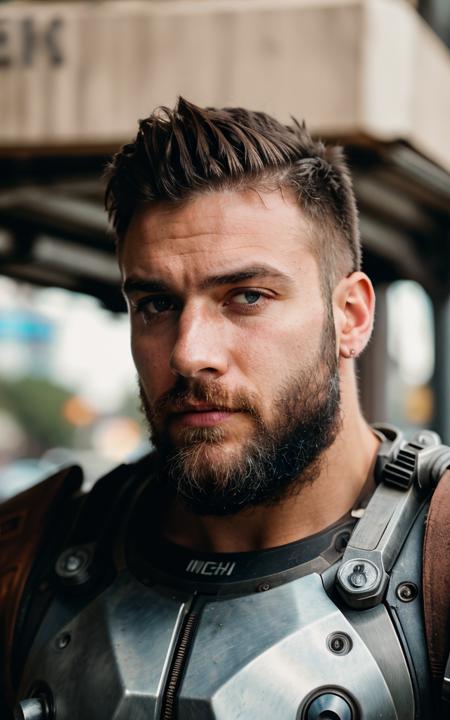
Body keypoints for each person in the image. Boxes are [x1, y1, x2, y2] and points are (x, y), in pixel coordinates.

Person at [1, 98, 449, 720]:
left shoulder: (442, 563)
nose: (189, 355)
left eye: (246, 296)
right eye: (156, 304)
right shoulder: (23, 564)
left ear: (350, 317)